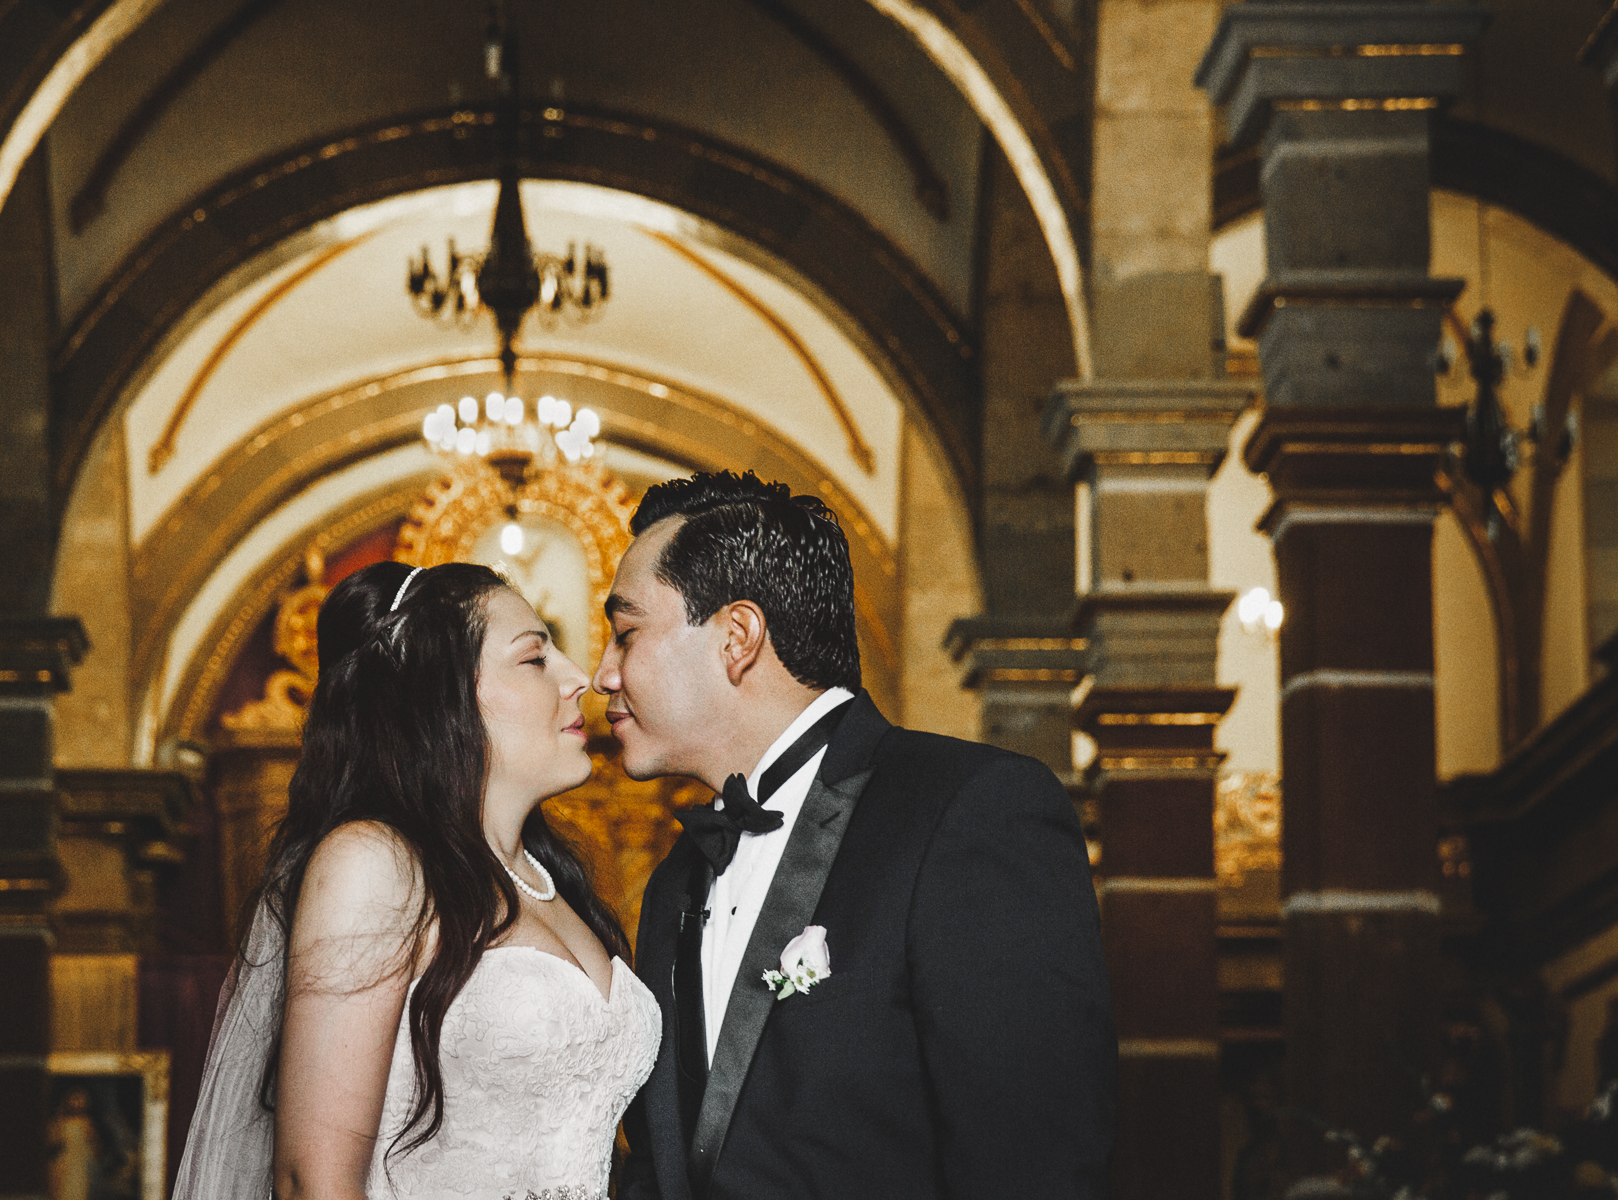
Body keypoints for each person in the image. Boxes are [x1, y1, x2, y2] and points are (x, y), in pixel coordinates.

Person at [603, 471, 1115, 1199]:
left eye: (626, 633)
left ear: (736, 637)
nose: (602, 673)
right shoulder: (678, 878)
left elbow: (1036, 1163)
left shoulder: (970, 811)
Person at [173, 560, 660, 1200]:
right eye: (535, 659)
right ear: (442, 694)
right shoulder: (371, 864)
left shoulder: (552, 882)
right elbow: (311, 1182)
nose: (579, 680)